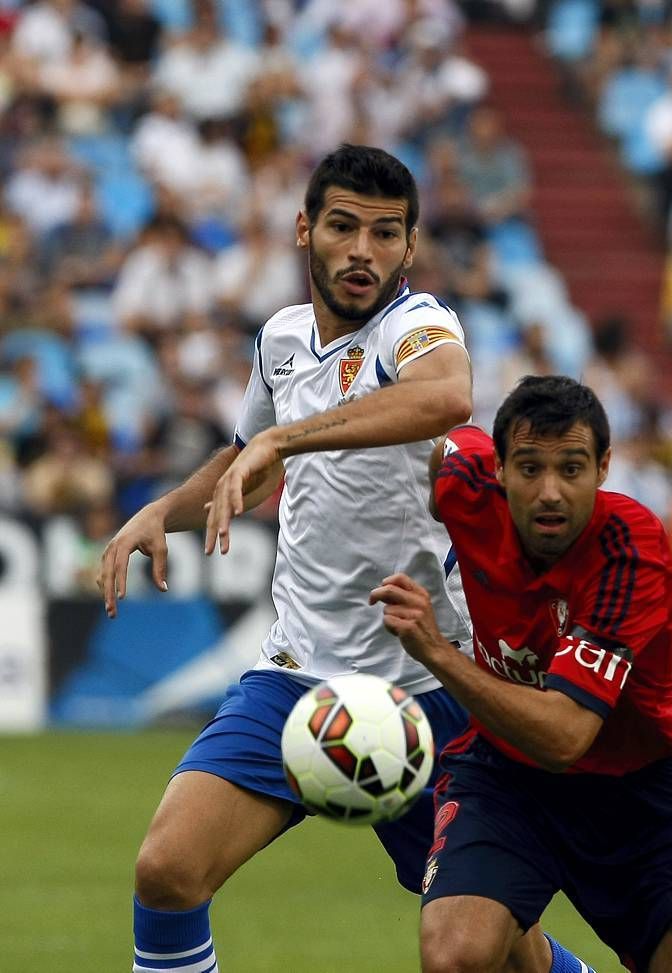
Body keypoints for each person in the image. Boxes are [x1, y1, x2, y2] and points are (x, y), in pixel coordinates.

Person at [99, 146, 588, 973]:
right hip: (294, 679)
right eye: (342, 227)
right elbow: (243, 460)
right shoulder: (280, 339)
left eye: (385, 233)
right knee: (168, 870)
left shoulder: (416, 325)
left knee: (498, 954)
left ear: (409, 247)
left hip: (433, 690)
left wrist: (283, 439)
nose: (362, 250)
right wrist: (162, 510)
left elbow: (447, 395)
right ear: (305, 230)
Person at [370, 375, 672, 973]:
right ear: (498, 470)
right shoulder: (465, 483)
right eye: (529, 468)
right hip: (504, 778)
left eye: (571, 469)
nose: (550, 492)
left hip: (637, 794)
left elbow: (564, 738)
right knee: (454, 957)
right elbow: (435, 452)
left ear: (603, 467)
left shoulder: (632, 549)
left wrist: (439, 652)